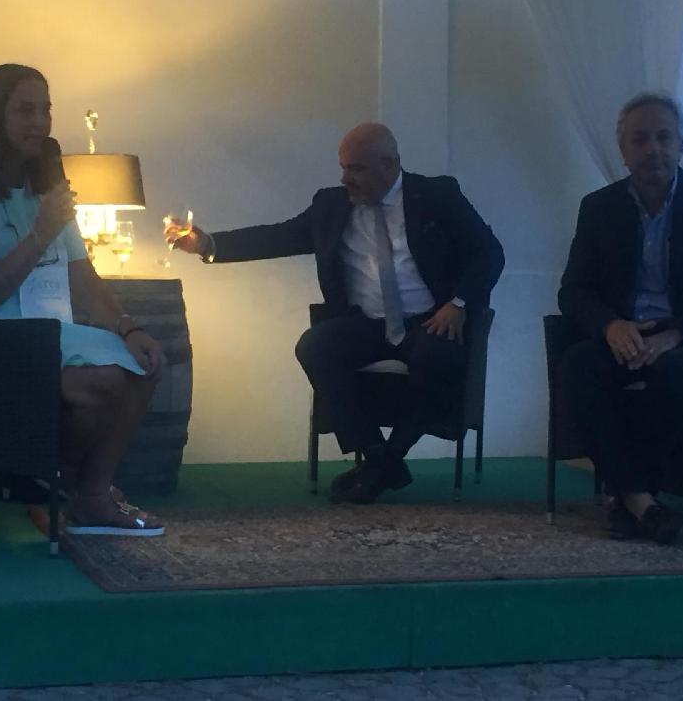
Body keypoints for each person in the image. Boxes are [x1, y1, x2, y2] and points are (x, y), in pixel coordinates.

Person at [169, 123, 504, 504]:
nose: (346, 178)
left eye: (356, 169)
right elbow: (278, 236)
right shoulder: (331, 205)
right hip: (366, 322)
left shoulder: (437, 195)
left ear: (389, 164)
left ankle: (386, 460)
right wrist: (208, 245)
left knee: (437, 354)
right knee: (314, 346)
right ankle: (379, 458)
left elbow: (489, 252)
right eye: (343, 167)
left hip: (429, 320)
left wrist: (458, 303)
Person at [0, 63, 166, 536]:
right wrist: (41, 233)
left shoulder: (42, 182)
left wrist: (128, 328)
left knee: (144, 363)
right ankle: (65, 485)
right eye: (25, 110)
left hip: (30, 332)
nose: (40, 123)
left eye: (46, 110)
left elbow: (81, 274)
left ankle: (88, 493)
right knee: (100, 383)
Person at [557, 92, 683, 544]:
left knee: (677, 374)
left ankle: (629, 500)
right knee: (577, 367)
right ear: (623, 150)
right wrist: (610, 326)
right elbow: (573, 290)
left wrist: (677, 333)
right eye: (640, 139)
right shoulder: (598, 208)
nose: (654, 149)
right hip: (621, 332)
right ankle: (643, 503)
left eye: (664, 137)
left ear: (681, 143)